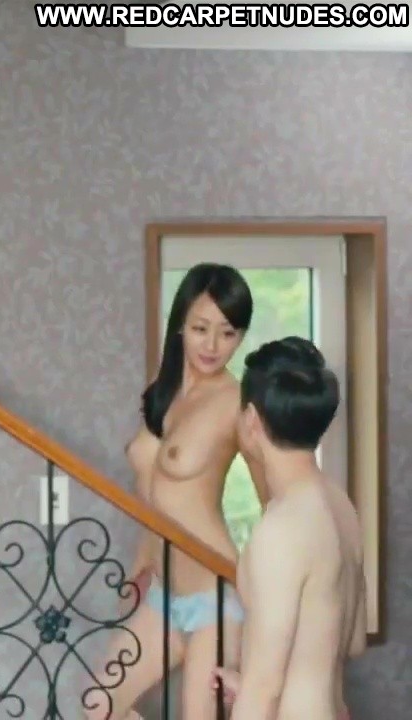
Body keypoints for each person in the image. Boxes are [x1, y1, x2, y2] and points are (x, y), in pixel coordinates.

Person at [85, 263, 260, 720]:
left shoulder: (237, 402)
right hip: (164, 595)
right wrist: (141, 563)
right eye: (201, 328)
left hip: (215, 596)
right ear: (180, 323)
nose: (212, 345)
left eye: (227, 333)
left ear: (240, 337)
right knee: (98, 705)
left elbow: (275, 493)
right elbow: (153, 497)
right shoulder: (162, 395)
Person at [210, 336, 366, 720]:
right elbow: (353, 642)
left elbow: (264, 689)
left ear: (250, 419)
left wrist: (252, 691)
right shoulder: (339, 505)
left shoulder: (281, 530)